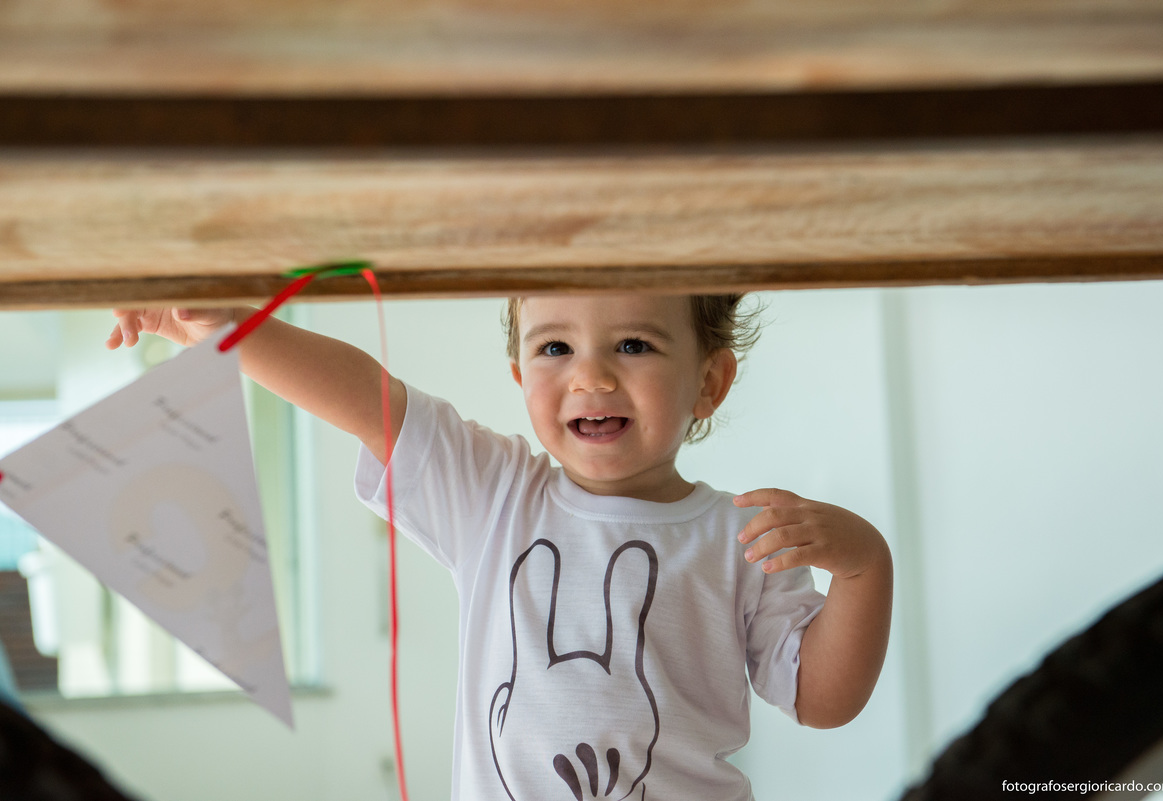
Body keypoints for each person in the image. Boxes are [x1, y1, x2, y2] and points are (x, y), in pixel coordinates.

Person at [107, 293, 892, 800]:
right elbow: (366, 396)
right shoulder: (496, 495)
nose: (591, 376)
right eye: (556, 349)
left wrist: (864, 563)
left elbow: (823, 698)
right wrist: (232, 327)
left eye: (634, 346)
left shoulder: (739, 536)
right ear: (518, 374)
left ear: (710, 381)